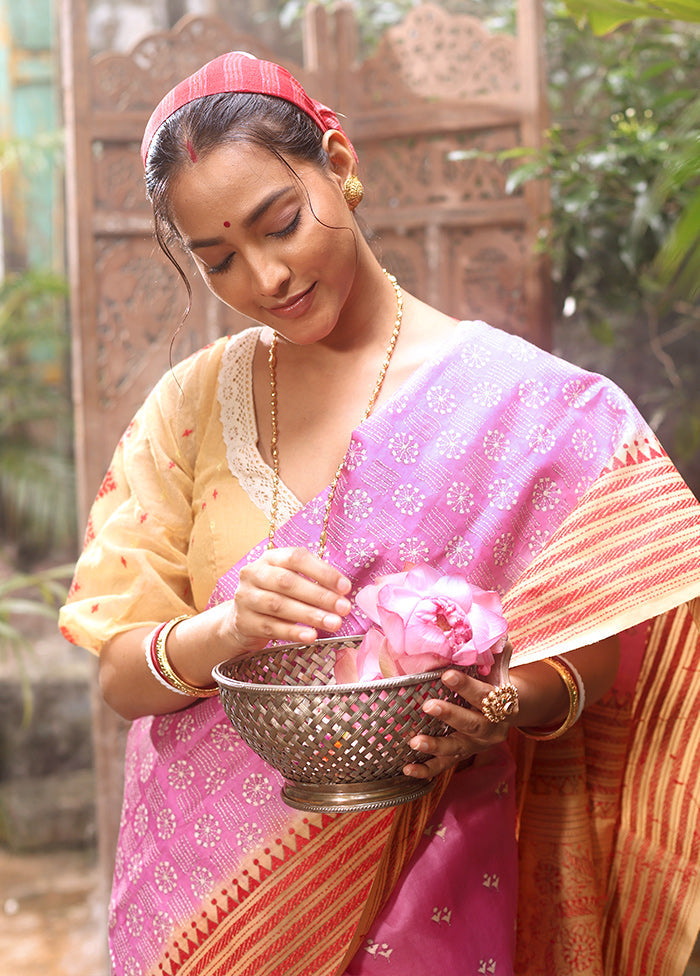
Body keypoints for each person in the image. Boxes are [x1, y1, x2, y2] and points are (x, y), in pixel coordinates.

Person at [59, 51, 700, 976]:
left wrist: (500, 705)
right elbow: (122, 675)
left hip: (439, 886)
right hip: (218, 913)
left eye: (283, 223)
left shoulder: (526, 404)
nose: (267, 277)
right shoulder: (188, 409)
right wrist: (229, 628)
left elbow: (600, 652)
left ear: (339, 162)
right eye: (219, 260)